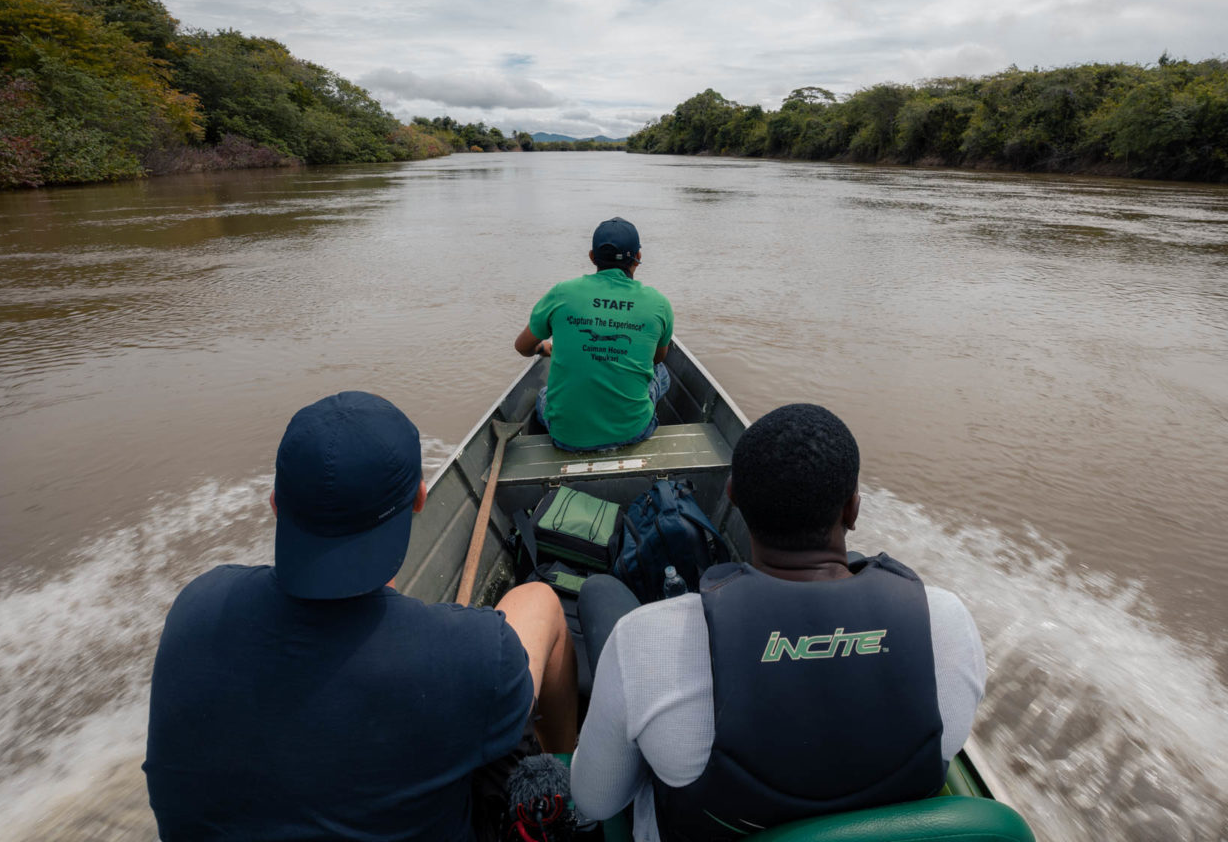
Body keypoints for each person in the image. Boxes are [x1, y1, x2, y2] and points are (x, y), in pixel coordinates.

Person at [144, 391, 578, 842]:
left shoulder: (195, 605)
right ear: (420, 500)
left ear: (276, 504)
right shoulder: (480, 652)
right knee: (538, 600)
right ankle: (566, 772)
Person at [569, 404, 987, 842]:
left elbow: (595, 801)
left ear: (731, 495)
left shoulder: (645, 640)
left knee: (600, 592)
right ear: (852, 511)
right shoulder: (946, 623)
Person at [514, 217, 674, 451]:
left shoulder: (562, 293)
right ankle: (629, 418)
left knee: (545, 395)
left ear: (592, 257)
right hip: (633, 432)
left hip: (565, 438)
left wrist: (541, 348)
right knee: (662, 373)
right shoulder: (658, 303)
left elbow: (522, 346)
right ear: (638, 257)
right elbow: (657, 359)